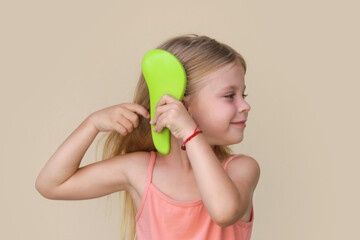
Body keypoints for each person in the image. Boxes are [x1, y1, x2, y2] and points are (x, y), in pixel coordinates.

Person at [35, 34, 260, 240]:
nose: (245, 105)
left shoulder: (240, 169)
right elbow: (51, 185)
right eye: (230, 95)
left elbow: (223, 212)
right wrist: (90, 124)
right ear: (181, 104)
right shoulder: (140, 171)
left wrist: (190, 133)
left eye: (244, 94)